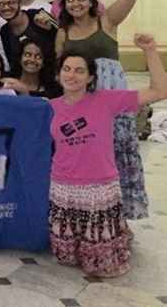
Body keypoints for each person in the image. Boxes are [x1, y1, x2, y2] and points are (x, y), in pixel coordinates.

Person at [48, 33, 167, 277]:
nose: (71, 75)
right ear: (59, 74)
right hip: (63, 187)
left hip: (99, 187)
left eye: (79, 71)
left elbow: (159, 91)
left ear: (91, 77)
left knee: (102, 265)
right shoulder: (50, 107)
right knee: (68, 259)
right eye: (67, 69)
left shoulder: (106, 100)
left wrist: (151, 51)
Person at [54, 0, 147, 220]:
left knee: (118, 152)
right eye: (70, 0)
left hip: (111, 96)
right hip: (81, 99)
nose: (76, 3)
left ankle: (119, 216)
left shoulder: (107, 22)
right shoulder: (63, 33)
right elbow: (61, 72)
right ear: (64, 5)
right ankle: (89, 212)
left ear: (91, 1)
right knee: (88, 154)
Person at [0, 0, 57, 77]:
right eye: (1, 4)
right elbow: (13, 64)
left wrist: (50, 29)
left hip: (52, 79)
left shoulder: (39, 14)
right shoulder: (4, 31)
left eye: (11, 3)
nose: (6, 7)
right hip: (25, 83)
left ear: (20, 2)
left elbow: (63, 35)